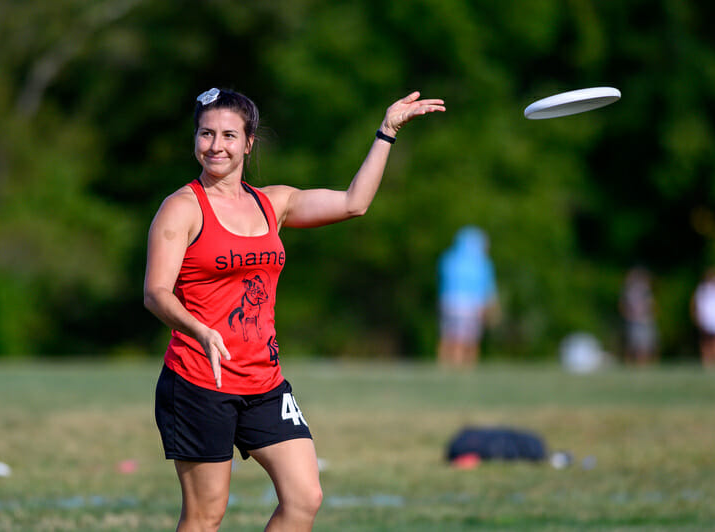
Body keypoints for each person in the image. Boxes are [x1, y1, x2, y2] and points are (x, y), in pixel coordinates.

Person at [143, 87, 445, 531]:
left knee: (305, 496)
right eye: (206, 134)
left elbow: (353, 203)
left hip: (264, 381)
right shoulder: (182, 208)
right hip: (199, 380)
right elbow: (156, 293)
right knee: (206, 516)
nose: (215, 146)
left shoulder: (274, 202)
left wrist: (387, 131)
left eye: (228, 135)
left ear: (248, 142)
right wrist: (199, 330)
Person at [436, 226, 498, 368]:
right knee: (470, 342)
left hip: (449, 303)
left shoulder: (449, 258)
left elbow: (444, 283)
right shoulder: (483, 263)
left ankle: (445, 368)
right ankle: (465, 370)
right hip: (472, 306)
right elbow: (488, 290)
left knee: (448, 339)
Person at [618, 267, 658, 365]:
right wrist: (627, 314)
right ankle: (630, 364)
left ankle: (643, 364)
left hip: (645, 320)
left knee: (645, 344)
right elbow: (622, 304)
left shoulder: (646, 290)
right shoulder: (628, 291)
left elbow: (652, 304)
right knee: (632, 343)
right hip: (633, 320)